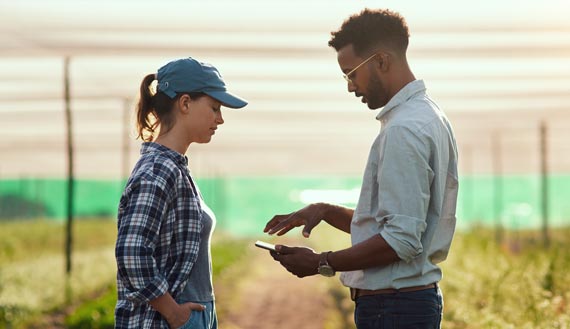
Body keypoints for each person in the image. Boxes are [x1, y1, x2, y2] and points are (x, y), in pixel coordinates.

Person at [264, 8, 458, 329]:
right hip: (405, 304)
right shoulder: (427, 115)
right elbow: (400, 223)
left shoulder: (403, 130)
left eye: (352, 73)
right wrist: (325, 210)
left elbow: (401, 241)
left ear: (381, 61)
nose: (351, 87)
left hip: (393, 309)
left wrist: (320, 262)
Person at [115, 57, 247, 329]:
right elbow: (131, 251)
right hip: (165, 320)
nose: (220, 119)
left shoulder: (176, 168)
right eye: (214, 107)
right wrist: (173, 312)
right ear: (185, 103)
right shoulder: (158, 171)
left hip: (193, 312)